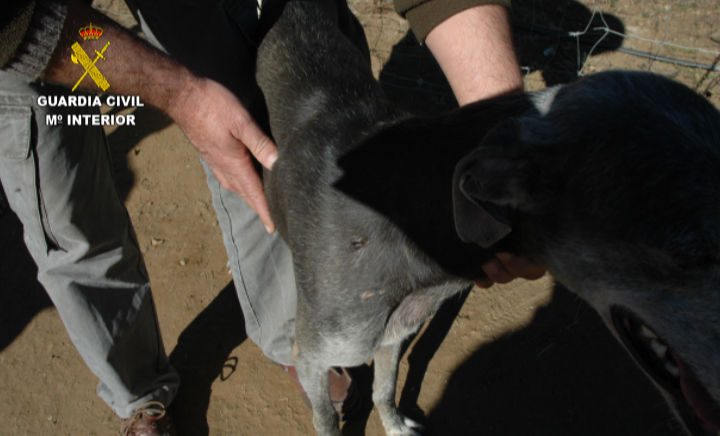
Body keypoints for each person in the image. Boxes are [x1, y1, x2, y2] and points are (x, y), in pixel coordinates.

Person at [0, 0, 544, 434]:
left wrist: (500, 139)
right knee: (68, 211)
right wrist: (181, 95)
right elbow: (23, 25)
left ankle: (293, 339)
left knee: (249, 144)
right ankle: (139, 394)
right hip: (20, 24)